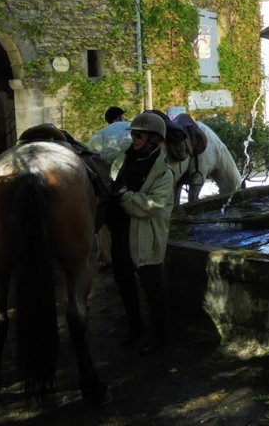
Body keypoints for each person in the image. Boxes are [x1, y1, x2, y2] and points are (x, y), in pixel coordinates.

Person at [107, 111, 175, 355]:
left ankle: (160, 336)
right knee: (125, 283)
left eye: (139, 135)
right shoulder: (123, 159)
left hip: (146, 236)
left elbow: (152, 206)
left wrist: (122, 195)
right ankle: (135, 328)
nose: (134, 138)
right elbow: (110, 182)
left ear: (154, 139)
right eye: (133, 134)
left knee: (152, 288)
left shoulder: (164, 173)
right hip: (121, 233)